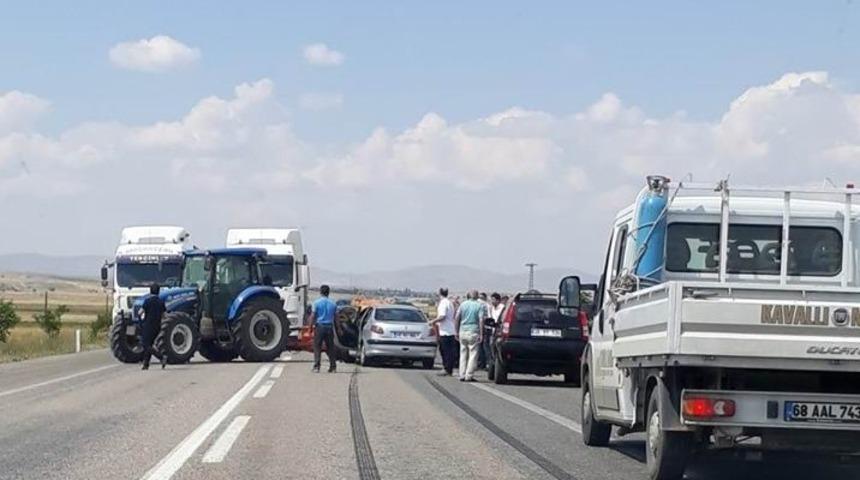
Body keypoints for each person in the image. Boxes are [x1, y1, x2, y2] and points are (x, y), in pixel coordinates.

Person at [454, 290, 484, 382]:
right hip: (473, 331)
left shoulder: (463, 305)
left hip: (463, 331)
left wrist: (456, 331)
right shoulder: (479, 306)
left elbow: (457, 318)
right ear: (477, 296)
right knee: (473, 354)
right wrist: (481, 333)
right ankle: (469, 375)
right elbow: (481, 320)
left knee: (463, 353)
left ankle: (461, 374)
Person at [428, 287, 457, 376]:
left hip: (445, 331)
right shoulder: (450, 303)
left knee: (445, 351)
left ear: (440, 293)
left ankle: (446, 368)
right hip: (450, 330)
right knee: (449, 351)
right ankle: (449, 368)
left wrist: (433, 321)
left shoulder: (443, 303)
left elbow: (442, 316)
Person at [312, 284, 338, 373]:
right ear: (328, 292)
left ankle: (317, 366)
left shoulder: (316, 303)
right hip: (329, 327)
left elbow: (313, 315)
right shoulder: (333, 304)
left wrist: (310, 326)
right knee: (330, 347)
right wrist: (339, 329)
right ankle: (333, 367)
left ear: (320, 292)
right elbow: (336, 318)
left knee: (317, 347)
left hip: (320, 326)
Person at [140, 284, 166, 370]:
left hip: (148, 325)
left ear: (150, 291)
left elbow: (140, 312)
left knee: (145, 344)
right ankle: (146, 364)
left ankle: (161, 357)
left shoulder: (147, 301)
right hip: (157, 326)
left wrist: (141, 320)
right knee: (150, 344)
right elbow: (164, 315)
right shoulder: (161, 302)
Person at [483, 292, 504, 369]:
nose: (492, 301)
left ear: (498, 300)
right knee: (488, 346)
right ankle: (491, 362)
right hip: (492, 330)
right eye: (491, 300)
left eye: (493, 300)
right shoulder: (491, 308)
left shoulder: (502, 308)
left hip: (499, 332)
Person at [477, 292, 491, 369]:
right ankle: (484, 363)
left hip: (483, 327)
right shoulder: (487, 305)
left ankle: (485, 363)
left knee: (483, 346)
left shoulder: (481, 305)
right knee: (483, 346)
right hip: (484, 327)